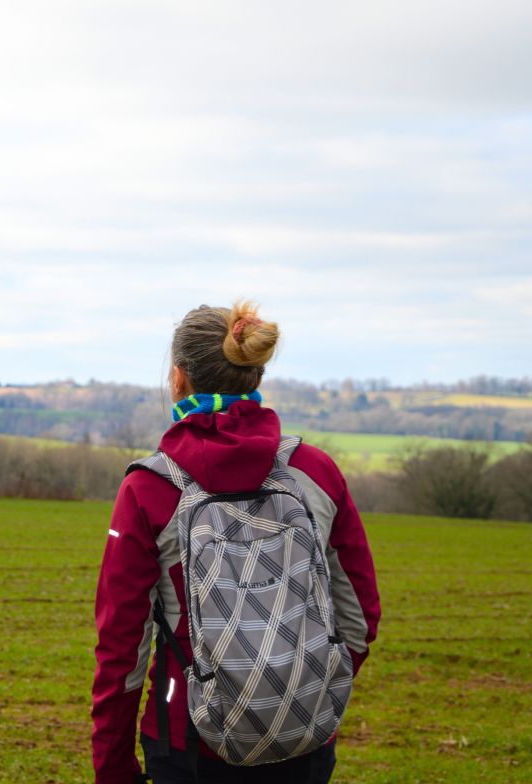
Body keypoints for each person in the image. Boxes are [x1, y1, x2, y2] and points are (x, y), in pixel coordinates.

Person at [91, 301, 381, 784]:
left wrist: (113, 766)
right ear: (252, 374)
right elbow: (359, 616)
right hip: (306, 739)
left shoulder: (149, 490)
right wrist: (301, 690)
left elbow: (122, 647)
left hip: (187, 741)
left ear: (179, 379)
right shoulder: (314, 472)